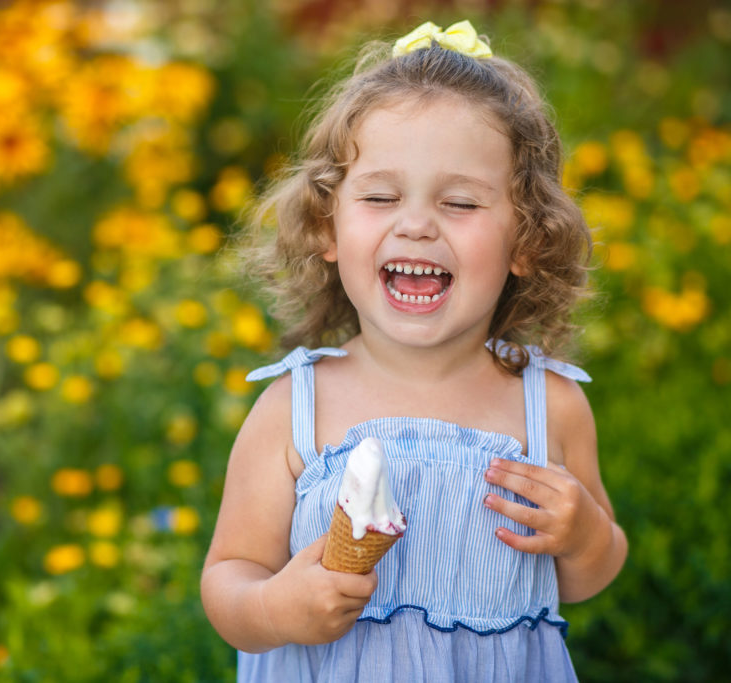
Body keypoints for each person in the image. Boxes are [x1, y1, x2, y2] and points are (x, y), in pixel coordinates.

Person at [200, 20, 628, 681]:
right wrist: (276, 606)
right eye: (379, 196)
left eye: (459, 202)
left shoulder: (550, 406)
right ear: (326, 225)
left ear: (526, 241)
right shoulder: (296, 408)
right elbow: (228, 576)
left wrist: (586, 536)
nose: (418, 223)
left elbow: (587, 576)